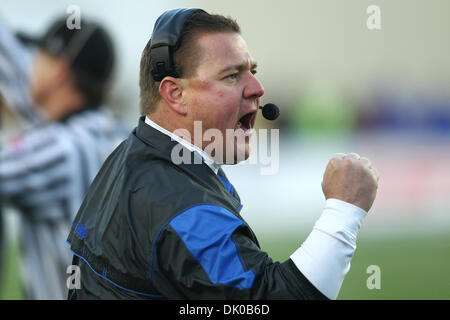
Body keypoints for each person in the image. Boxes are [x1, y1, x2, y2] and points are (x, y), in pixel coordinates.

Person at [67, 8, 379, 300]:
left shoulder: (135, 152)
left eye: (252, 71)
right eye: (232, 76)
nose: (257, 88)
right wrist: (343, 210)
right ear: (175, 94)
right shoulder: (181, 206)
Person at [0, 15, 128, 299]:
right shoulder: (120, 135)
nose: (30, 66)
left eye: (39, 57)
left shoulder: (59, 149)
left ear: (59, 70)